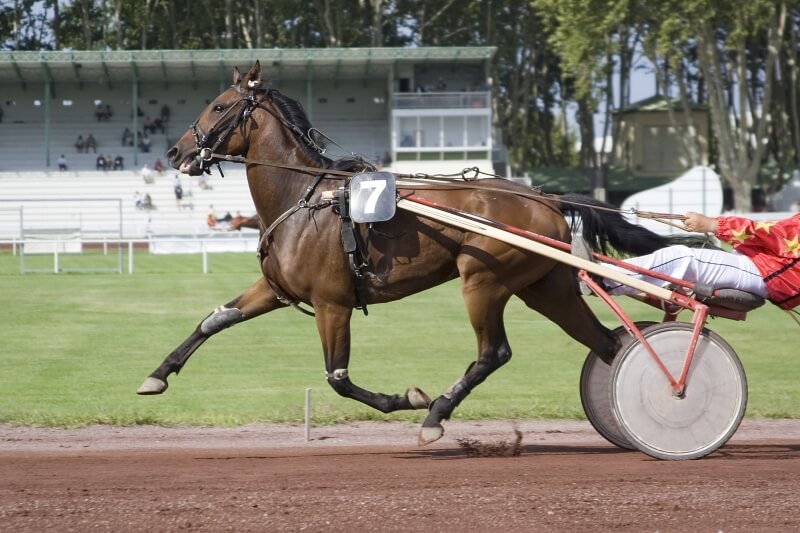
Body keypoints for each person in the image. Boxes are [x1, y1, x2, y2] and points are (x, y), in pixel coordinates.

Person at [598, 211, 800, 311]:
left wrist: (713, 225)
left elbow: (773, 234)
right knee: (681, 259)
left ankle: (604, 278)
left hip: (763, 273)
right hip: (763, 270)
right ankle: (606, 275)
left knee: (682, 258)